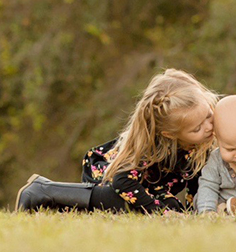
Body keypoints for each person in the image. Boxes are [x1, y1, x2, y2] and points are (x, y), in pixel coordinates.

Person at [15, 68, 218, 214]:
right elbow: (123, 181)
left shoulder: (203, 142)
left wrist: (196, 213)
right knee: (126, 203)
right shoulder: (153, 147)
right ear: (169, 134)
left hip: (145, 188)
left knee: (171, 207)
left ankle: (57, 205)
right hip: (111, 174)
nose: (209, 127)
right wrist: (158, 212)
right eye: (197, 128)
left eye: (209, 115)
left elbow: (197, 183)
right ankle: (43, 190)